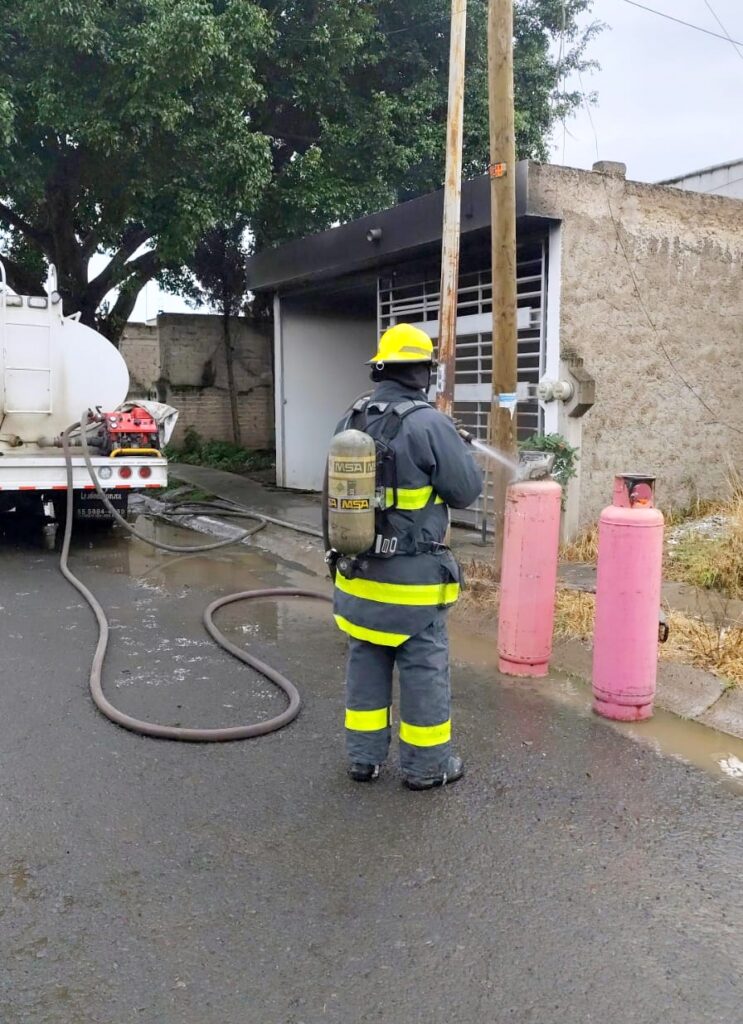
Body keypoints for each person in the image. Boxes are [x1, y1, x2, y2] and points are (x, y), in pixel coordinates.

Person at [328, 323, 483, 790]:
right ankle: (427, 767)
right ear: (422, 372)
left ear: (381, 369)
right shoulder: (429, 423)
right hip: (411, 585)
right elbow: (465, 491)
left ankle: (364, 760)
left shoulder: (351, 419)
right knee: (422, 670)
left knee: (365, 663)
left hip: (357, 576)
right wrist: (454, 447)